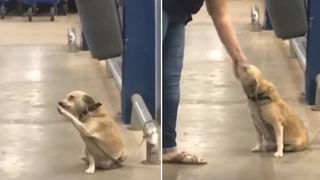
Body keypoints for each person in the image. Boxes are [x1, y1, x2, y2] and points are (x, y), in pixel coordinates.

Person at [162, 0, 248, 164]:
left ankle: (167, 148)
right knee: (150, 76)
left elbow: (220, 13)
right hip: (155, 9)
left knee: (170, 87)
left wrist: (238, 56)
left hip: (177, 15)